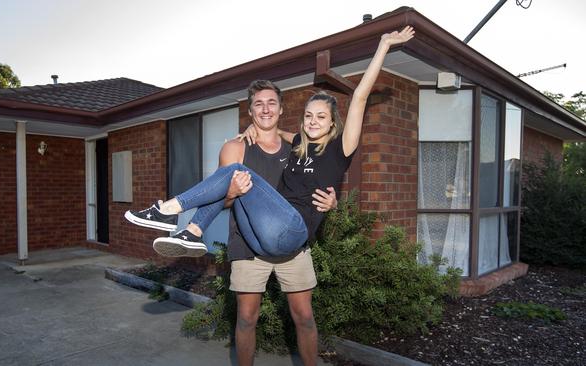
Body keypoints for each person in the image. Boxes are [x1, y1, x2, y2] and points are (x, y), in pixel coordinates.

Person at [126, 25, 414, 365]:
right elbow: (279, 136)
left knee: (303, 316)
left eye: (322, 116)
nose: (313, 121)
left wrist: (382, 45)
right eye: (308, 116)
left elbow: (360, 98)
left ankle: (174, 213)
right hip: (255, 239)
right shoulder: (295, 145)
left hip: (294, 235)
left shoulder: (339, 149)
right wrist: (257, 136)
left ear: (332, 122)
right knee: (246, 316)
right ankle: (189, 230)